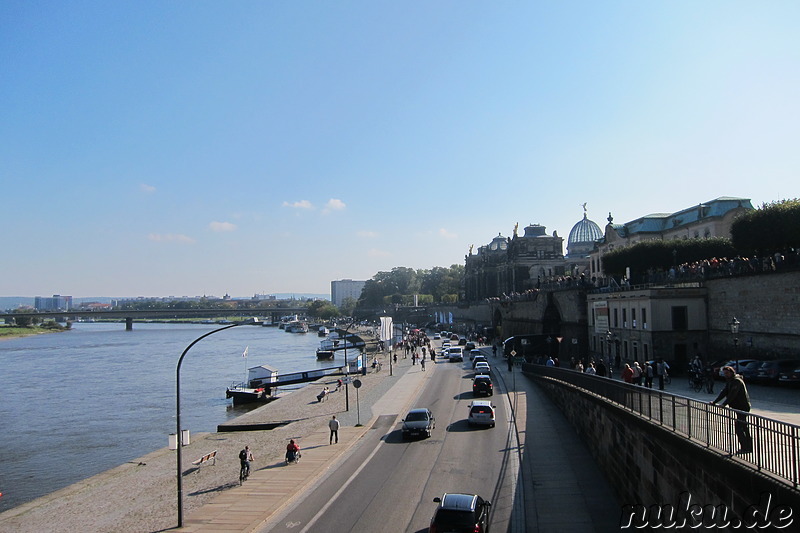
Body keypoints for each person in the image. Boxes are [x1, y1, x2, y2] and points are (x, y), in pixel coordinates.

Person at [710, 365, 753, 454]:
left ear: (731, 372)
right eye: (724, 373)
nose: (725, 375)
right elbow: (724, 392)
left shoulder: (737, 381)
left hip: (743, 407)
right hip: (738, 407)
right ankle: (748, 447)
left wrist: (724, 404)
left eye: (727, 373)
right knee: (743, 427)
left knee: (739, 428)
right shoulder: (730, 381)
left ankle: (746, 447)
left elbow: (732, 394)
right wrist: (715, 402)